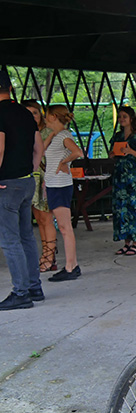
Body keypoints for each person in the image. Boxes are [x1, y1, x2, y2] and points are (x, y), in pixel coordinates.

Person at [0, 69, 45, 310]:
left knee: (10, 240)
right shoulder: (24, 113)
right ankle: (34, 286)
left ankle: (21, 292)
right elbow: (38, 147)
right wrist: (31, 171)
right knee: (26, 235)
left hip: (6, 183)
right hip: (27, 180)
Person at [44, 105, 83, 282]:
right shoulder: (58, 136)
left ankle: (70, 266)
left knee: (65, 227)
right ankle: (71, 264)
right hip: (54, 183)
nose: (44, 119)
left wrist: (63, 162)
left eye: (46, 116)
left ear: (53, 116)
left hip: (60, 184)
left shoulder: (64, 136)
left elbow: (77, 152)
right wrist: (52, 134)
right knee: (63, 226)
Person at [22, 100, 57, 272]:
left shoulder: (46, 132)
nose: (32, 117)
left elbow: (39, 151)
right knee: (39, 220)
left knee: (46, 218)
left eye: (35, 113)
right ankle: (47, 254)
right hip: (30, 179)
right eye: (28, 114)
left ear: (40, 115)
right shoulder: (23, 132)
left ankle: (49, 256)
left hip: (44, 177)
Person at [110, 106, 136, 256]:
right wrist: (114, 154)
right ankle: (126, 242)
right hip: (120, 176)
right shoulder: (118, 136)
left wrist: (131, 151)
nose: (121, 119)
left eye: (124, 117)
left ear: (131, 118)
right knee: (121, 208)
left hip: (134, 178)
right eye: (120, 117)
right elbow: (112, 153)